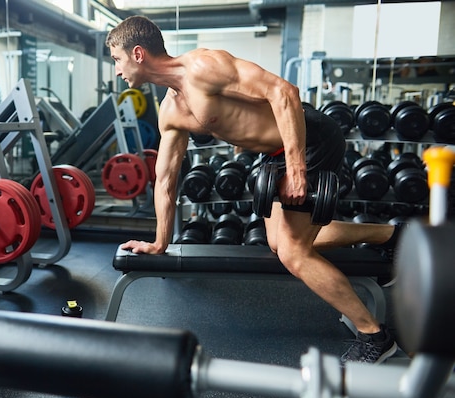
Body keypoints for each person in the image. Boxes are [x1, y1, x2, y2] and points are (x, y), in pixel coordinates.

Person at [106, 15, 402, 365]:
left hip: (310, 137)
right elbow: (167, 180)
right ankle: (389, 236)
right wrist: (159, 242)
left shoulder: (203, 66)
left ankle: (374, 335)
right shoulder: (170, 110)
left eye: (117, 60)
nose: (117, 70)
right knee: (280, 243)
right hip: (274, 154)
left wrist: (297, 168)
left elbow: (283, 92)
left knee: (293, 252)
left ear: (138, 53)